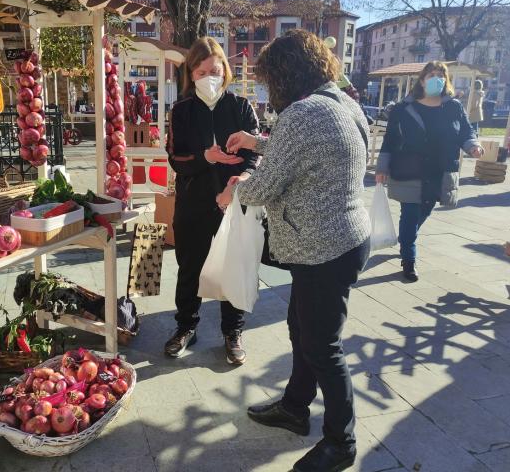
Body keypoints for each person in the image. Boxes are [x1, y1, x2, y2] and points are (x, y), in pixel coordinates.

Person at [220, 29, 371, 472]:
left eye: (270, 80)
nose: (269, 89)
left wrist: (237, 188)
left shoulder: (303, 113)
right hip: (342, 239)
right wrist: (256, 143)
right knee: (300, 329)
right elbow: (314, 151)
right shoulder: (342, 103)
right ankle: (294, 405)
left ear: (286, 74)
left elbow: (266, 185)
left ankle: (341, 443)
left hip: (323, 247)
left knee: (323, 346)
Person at [164, 37, 260, 365]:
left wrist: (241, 180)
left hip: (233, 202)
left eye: (215, 70)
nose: (209, 76)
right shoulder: (181, 110)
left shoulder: (241, 107)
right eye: (202, 71)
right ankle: (185, 326)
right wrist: (206, 156)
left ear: (225, 70)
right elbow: (176, 160)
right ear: (191, 74)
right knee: (189, 267)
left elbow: (255, 155)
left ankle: (233, 332)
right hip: (193, 203)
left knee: (233, 267)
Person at [375, 61, 483, 281]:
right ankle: (409, 260)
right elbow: (391, 139)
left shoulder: (453, 107)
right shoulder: (403, 109)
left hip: (440, 171)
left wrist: (473, 145)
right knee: (410, 214)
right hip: (410, 169)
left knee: (421, 214)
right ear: (422, 80)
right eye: (431, 74)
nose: (437, 78)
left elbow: (466, 131)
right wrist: (382, 167)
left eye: (441, 75)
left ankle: (406, 240)